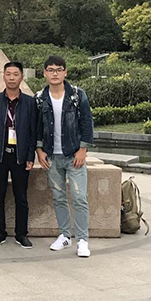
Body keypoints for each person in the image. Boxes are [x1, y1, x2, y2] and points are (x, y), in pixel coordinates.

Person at [35, 56, 94, 258]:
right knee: (59, 197)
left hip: (73, 154)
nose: (55, 73)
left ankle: (82, 240)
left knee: (79, 197)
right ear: (44, 73)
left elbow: (87, 122)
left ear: (65, 72)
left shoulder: (77, 95)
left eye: (59, 69)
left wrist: (83, 149)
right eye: (50, 69)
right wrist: (39, 149)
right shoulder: (40, 98)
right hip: (52, 155)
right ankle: (64, 235)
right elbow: (37, 126)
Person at [0, 62, 36, 248]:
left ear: (21, 77)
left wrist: (30, 157)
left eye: (15, 74)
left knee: (21, 197)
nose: (12, 78)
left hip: (20, 155)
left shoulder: (30, 102)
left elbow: (33, 132)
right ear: (3, 76)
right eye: (8, 74)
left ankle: (21, 234)